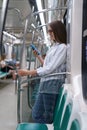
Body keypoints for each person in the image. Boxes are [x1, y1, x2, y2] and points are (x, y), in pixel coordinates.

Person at [18, 20, 67, 123]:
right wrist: (38, 56)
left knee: (47, 117)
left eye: (50, 31)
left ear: (57, 31)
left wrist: (28, 72)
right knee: (36, 114)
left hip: (52, 85)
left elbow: (50, 68)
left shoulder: (63, 47)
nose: (49, 34)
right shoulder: (53, 47)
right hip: (45, 84)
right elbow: (47, 65)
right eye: (48, 32)